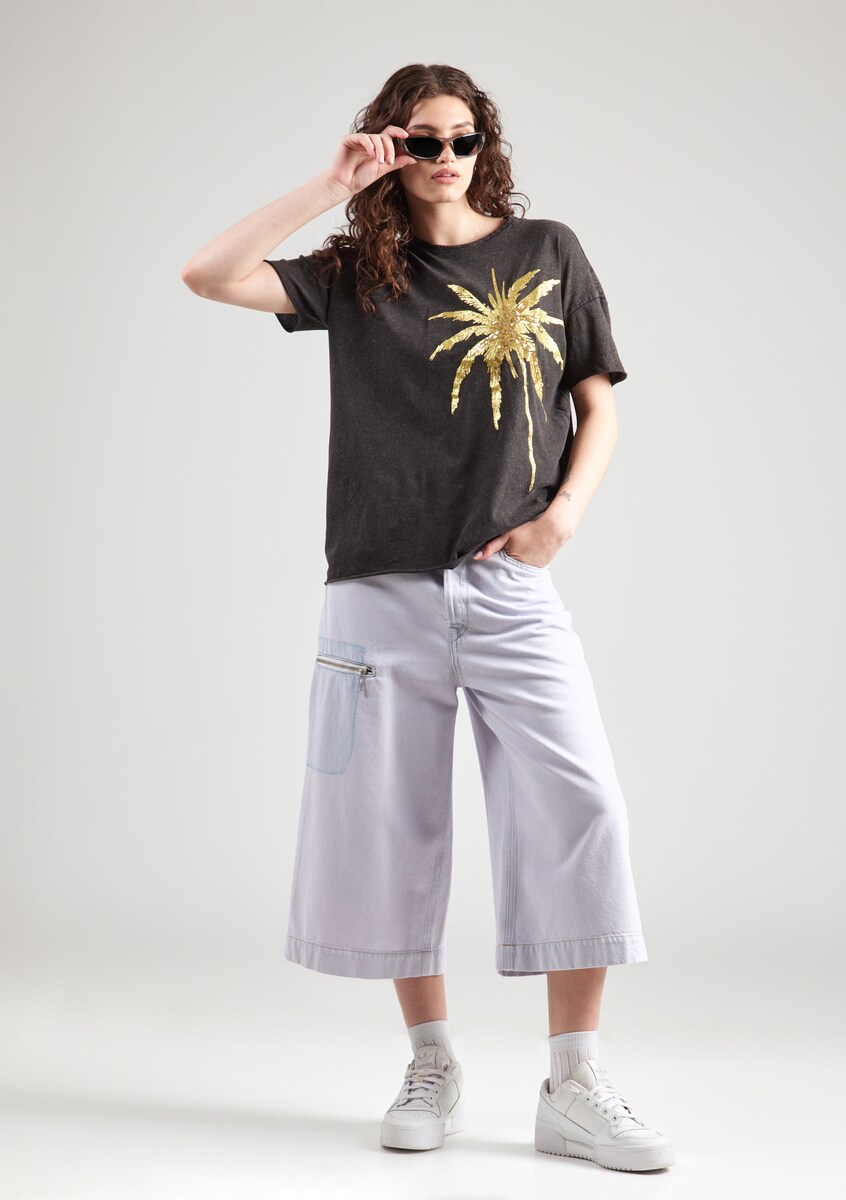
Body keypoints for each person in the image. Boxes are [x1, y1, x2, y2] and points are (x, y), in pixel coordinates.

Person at [181, 62, 674, 1174]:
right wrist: (332, 183)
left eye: (459, 140)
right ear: (389, 147)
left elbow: (596, 401)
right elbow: (208, 275)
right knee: (392, 827)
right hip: (377, 589)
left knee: (582, 803)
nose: (442, 159)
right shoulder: (357, 271)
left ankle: (575, 1080)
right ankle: (432, 1061)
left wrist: (561, 519)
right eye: (418, 141)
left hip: (507, 586)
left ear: (483, 146)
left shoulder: (548, 250)